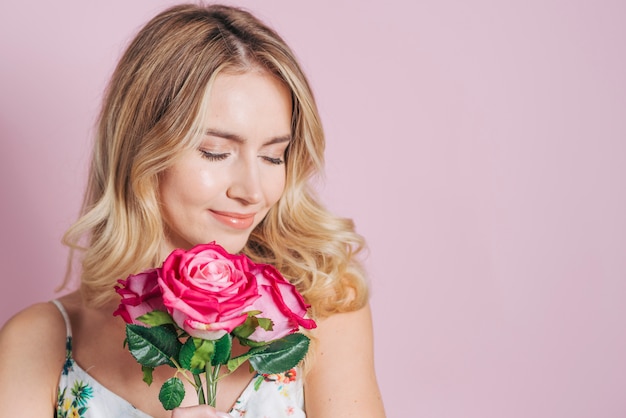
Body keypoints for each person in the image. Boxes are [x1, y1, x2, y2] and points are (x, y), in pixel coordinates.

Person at [0, 3, 385, 417]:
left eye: (274, 156)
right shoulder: (42, 340)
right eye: (215, 152)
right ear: (142, 150)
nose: (253, 191)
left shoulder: (323, 305)